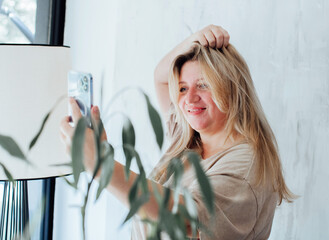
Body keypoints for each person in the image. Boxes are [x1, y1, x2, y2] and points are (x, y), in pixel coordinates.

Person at [60, 25, 294, 240]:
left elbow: (186, 221)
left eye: (203, 84)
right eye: (182, 88)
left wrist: (102, 166)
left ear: (232, 87)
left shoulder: (248, 166)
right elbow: (161, 77)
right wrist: (195, 40)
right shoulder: (188, 140)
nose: (189, 99)